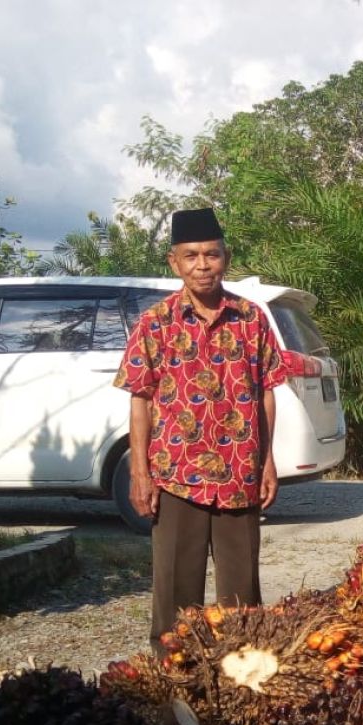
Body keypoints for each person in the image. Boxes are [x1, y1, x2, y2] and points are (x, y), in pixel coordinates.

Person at [114, 207, 286, 652]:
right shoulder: (155, 323)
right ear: (174, 262)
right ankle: (173, 678)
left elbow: (266, 391)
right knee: (174, 592)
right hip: (176, 475)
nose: (202, 265)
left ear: (225, 257)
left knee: (242, 594)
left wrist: (267, 461)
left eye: (211, 254)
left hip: (239, 473)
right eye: (191, 256)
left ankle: (242, 678)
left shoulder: (251, 319)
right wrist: (139, 472)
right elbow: (141, 398)